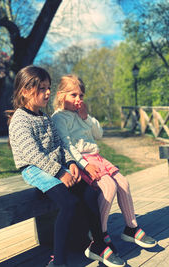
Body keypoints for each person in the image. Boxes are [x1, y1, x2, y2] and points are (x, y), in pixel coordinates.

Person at [6, 66, 125, 267]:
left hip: (56, 166)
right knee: (69, 203)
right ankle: (58, 260)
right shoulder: (20, 119)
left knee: (89, 193)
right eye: (42, 88)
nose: (48, 92)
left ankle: (98, 244)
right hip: (35, 169)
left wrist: (70, 162)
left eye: (48, 87)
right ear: (26, 91)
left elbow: (60, 144)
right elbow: (32, 155)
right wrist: (60, 172)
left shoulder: (44, 116)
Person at [52, 74, 157, 257]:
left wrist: (86, 118)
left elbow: (98, 134)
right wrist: (84, 165)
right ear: (61, 95)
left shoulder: (81, 114)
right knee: (108, 187)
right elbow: (67, 145)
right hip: (82, 161)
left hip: (98, 157)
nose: (78, 100)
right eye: (73, 95)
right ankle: (99, 234)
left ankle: (131, 228)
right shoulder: (59, 117)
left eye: (81, 96)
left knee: (123, 183)